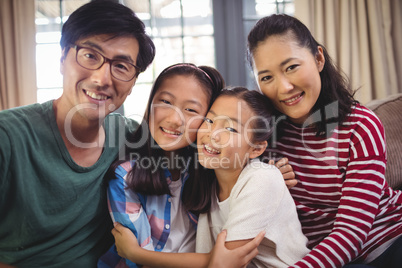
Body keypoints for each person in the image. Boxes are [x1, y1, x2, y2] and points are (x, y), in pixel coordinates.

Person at [0, 1, 155, 267]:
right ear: (62, 58)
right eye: (90, 55)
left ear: (132, 84)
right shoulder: (9, 137)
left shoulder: (130, 137)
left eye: (121, 66)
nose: (102, 78)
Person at [247, 14, 402, 268]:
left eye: (291, 67)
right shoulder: (261, 139)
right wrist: (265, 179)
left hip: (387, 241)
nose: (284, 87)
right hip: (325, 257)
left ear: (318, 58)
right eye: (266, 78)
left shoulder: (361, 126)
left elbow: (350, 234)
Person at [108, 87, 310, 267]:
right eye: (209, 120)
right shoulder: (206, 185)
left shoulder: (261, 179)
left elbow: (224, 261)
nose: (213, 134)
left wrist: (137, 254)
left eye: (230, 128)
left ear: (256, 148)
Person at [98, 64, 268, 268]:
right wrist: (214, 260)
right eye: (165, 102)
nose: (173, 119)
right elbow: (140, 261)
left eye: (190, 110)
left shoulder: (209, 168)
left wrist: (269, 170)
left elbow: (246, 163)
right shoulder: (126, 177)